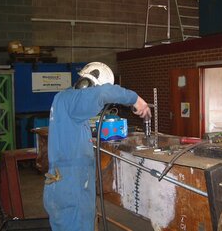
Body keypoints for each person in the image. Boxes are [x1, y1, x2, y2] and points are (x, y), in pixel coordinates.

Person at [43, 62, 151, 231]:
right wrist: (136, 100)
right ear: (88, 85)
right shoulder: (74, 100)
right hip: (72, 186)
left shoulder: (66, 100)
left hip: (66, 183)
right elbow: (104, 93)